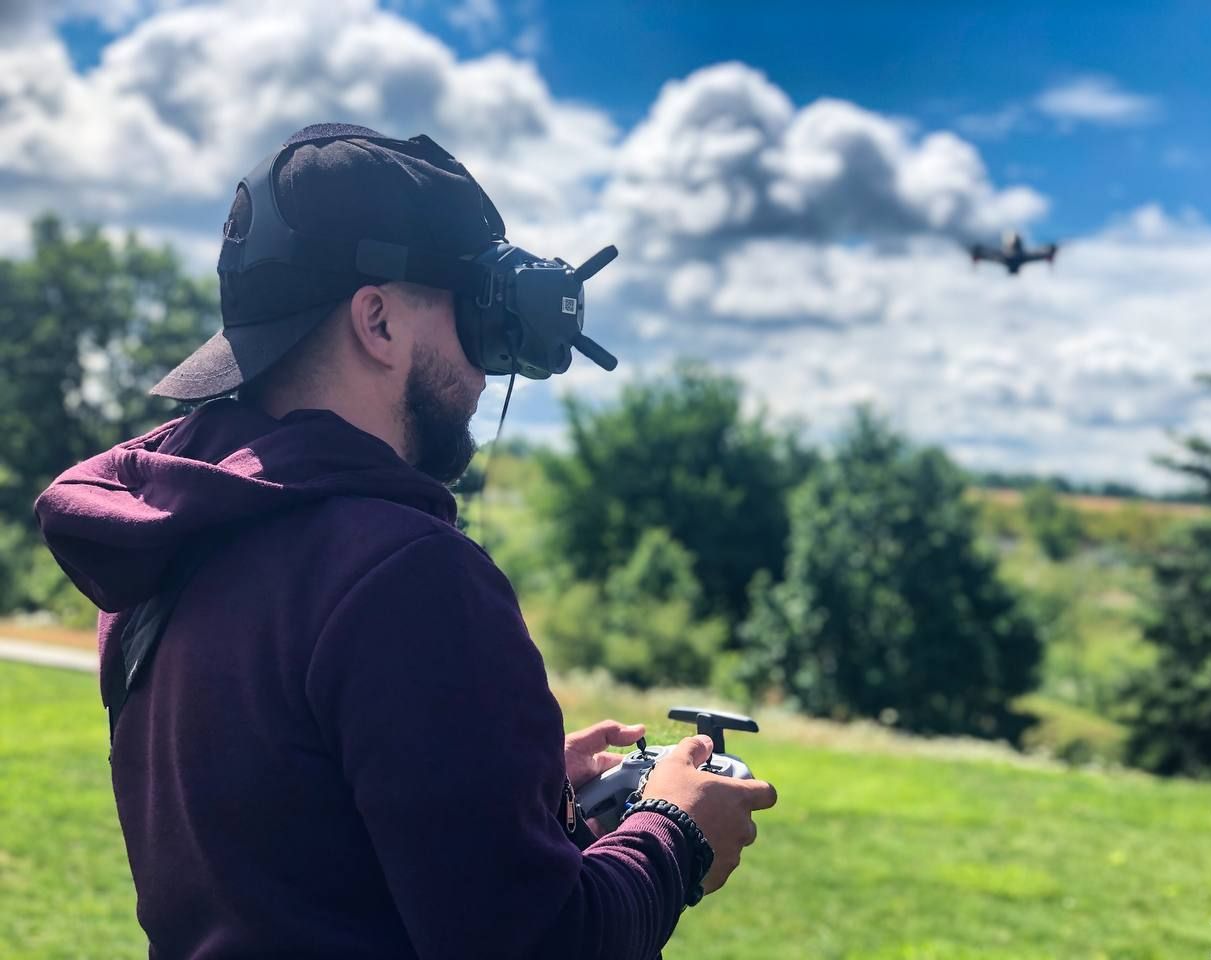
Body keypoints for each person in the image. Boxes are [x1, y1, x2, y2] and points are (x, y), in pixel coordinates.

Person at [34, 123, 777, 959]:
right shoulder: (405, 576)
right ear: (378, 321)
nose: (486, 368)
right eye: (472, 309)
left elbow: (285, 845)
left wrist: (499, 789)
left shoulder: (166, 533)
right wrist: (675, 833)